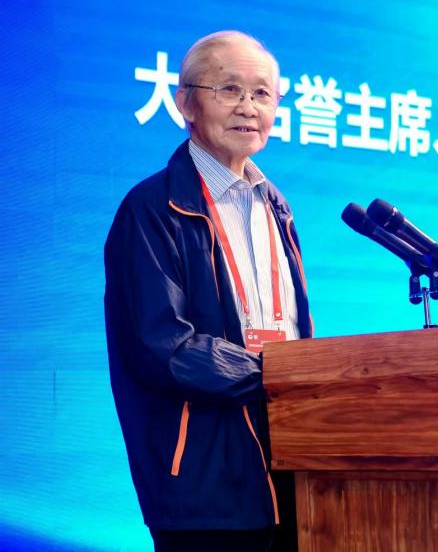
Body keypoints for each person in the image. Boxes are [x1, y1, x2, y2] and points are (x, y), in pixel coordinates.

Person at [104, 31, 311, 552]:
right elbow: (162, 346)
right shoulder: (152, 208)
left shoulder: (276, 206)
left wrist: (310, 379)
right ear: (186, 104)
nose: (249, 107)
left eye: (262, 94)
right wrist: (281, 376)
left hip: (290, 468)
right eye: (229, 89)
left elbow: (290, 330)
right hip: (200, 479)